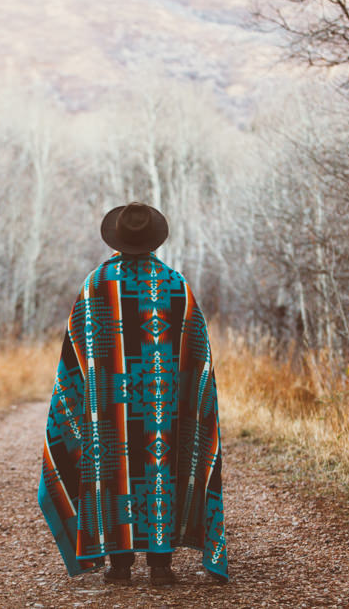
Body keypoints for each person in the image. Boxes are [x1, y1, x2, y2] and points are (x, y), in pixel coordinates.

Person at [37, 202, 229, 586]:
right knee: (161, 468)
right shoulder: (177, 286)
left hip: (109, 412)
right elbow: (197, 361)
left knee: (113, 471)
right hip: (165, 408)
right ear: (155, 241)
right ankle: (161, 564)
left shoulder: (96, 286)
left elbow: (74, 362)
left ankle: (119, 563)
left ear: (117, 240)